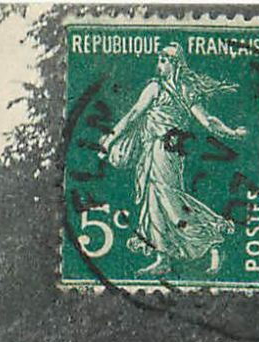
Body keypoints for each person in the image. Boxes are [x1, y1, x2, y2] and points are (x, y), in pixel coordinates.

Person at [98, 42, 248, 276]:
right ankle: (163, 258)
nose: (160, 64)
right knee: (156, 201)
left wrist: (232, 133)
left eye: (164, 59)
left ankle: (212, 241)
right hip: (156, 150)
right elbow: (133, 115)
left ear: (175, 63)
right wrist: (110, 138)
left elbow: (207, 121)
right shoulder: (157, 88)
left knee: (169, 200)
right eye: (159, 59)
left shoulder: (175, 90)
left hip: (165, 150)